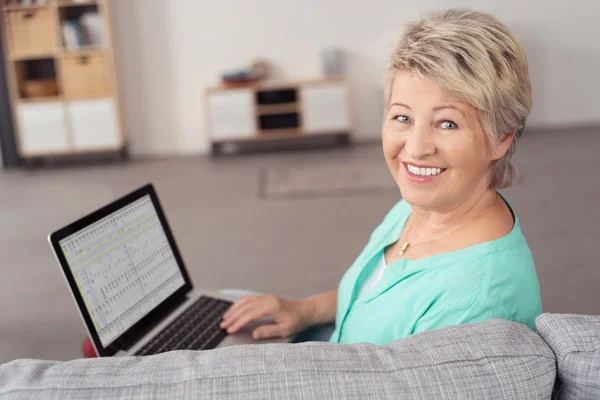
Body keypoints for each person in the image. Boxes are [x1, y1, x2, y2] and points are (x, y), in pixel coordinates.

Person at [220, 9, 542, 345]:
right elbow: (377, 297)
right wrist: (306, 309)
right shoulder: (423, 206)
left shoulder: (477, 300)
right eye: (402, 117)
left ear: (501, 137)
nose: (415, 149)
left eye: (447, 123)